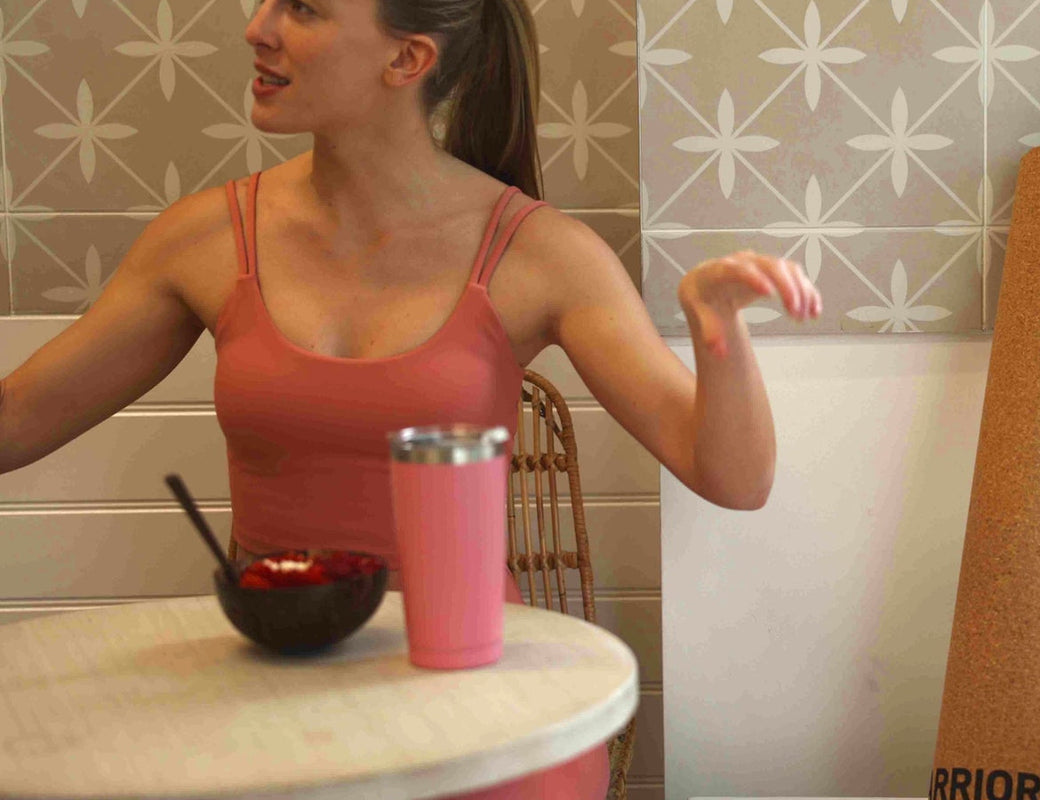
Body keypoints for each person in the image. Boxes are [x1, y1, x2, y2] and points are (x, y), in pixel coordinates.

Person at [0, 0, 821, 797]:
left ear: (407, 59)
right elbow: (16, 420)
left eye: (304, 9)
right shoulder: (206, 238)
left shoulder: (543, 254)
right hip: (274, 697)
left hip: (473, 696)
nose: (257, 27)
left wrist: (718, 330)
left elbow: (735, 479)